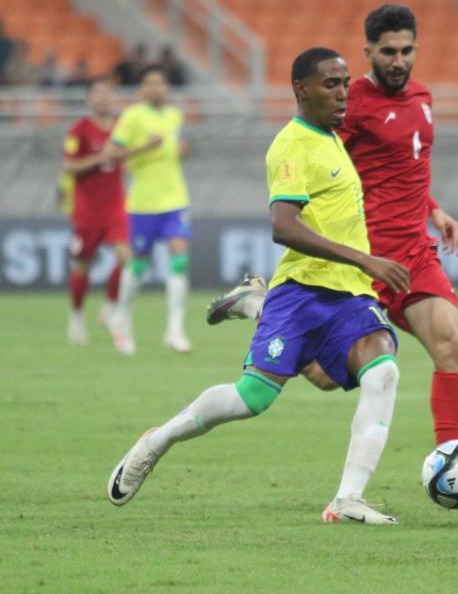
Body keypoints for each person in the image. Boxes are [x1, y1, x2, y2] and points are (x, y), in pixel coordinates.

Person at [106, 47, 410, 524]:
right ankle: (157, 441)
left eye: (346, 83)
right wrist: (365, 258)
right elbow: (283, 226)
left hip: (350, 293)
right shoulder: (291, 145)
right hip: (304, 290)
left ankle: (347, 499)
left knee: (380, 372)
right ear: (301, 89)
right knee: (254, 399)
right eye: (331, 83)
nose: (342, 93)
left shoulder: (333, 138)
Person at [208, 6, 458, 462]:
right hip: (359, 260)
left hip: (413, 254)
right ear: (369, 52)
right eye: (388, 52)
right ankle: (261, 305)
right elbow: (326, 163)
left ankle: (450, 459)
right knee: (322, 376)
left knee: (451, 344)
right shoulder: (349, 101)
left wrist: (434, 210)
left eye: (407, 50)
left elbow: (404, 167)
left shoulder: (422, 97)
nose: (399, 60)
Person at [108, 65, 192, 354]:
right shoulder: (132, 116)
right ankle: (121, 317)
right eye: (149, 83)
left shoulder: (174, 116)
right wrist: (143, 147)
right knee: (139, 264)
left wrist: (183, 151)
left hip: (175, 199)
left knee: (179, 260)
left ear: (167, 87)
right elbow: (112, 154)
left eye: (159, 83)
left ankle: (175, 329)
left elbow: (174, 152)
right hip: (143, 202)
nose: (155, 88)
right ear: (141, 88)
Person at [61, 80, 131, 347]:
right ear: (89, 99)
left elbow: (125, 156)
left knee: (127, 258)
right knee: (83, 266)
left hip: (116, 206)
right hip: (87, 210)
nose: (103, 99)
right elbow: (69, 167)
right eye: (97, 94)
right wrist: (101, 156)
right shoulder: (79, 130)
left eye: (107, 93)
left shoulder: (120, 129)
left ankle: (110, 306)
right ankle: (77, 316)